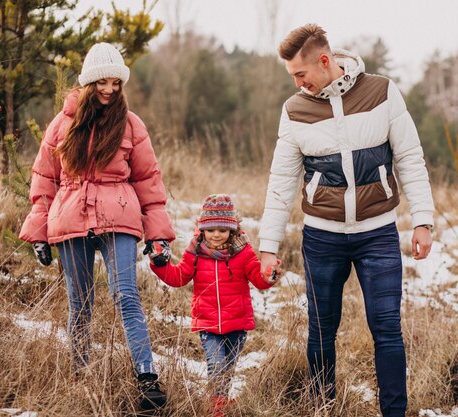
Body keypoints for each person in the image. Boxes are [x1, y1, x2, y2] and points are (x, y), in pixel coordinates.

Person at [258, 24, 434, 417]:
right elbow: (281, 183)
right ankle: (323, 408)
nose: (298, 83)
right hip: (323, 238)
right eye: (293, 78)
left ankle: (394, 412)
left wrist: (422, 220)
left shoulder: (382, 92)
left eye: (301, 74)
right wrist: (268, 246)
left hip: (378, 233)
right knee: (322, 329)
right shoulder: (294, 110)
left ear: (325, 61)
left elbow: (409, 156)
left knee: (386, 327)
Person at [19, 42, 175, 411]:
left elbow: (149, 182)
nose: (109, 90)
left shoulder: (130, 124)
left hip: (118, 216)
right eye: (102, 82)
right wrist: (38, 232)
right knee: (81, 302)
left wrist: (158, 236)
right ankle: (80, 374)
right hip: (70, 219)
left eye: (116, 83)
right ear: (88, 83)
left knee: (126, 294)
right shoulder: (61, 125)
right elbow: (44, 180)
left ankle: (146, 376)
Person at [149, 194, 280, 417]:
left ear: (233, 229)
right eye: (210, 230)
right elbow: (179, 277)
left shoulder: (243, 252)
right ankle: (216, 410)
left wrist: (269, 275)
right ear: (202, 230)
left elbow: (258, 279)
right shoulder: (195, 252)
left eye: (222, 230)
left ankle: (221, 400)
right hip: (208, 324)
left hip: (237, 324)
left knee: (227, 370)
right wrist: (160, 265)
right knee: (216, 366)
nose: (216, 235)